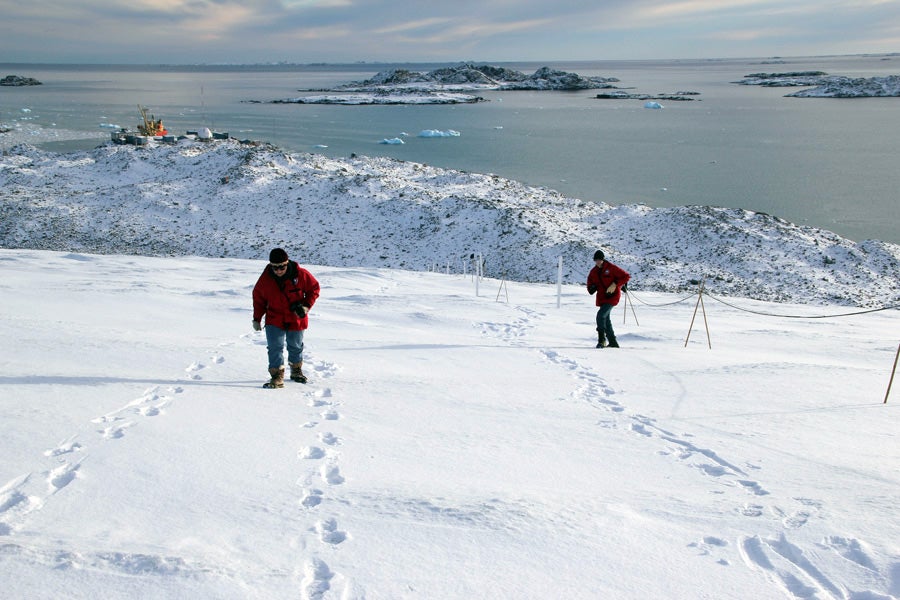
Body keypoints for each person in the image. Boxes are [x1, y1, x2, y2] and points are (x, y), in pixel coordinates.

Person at [252, 248, 320, 388]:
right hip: (274, 318)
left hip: (296, 317)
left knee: (295, 346)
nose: (278, 270)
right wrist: (257, 318)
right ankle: (277, 376)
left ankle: (296, 371)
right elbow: (259, 299)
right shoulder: (265, 279)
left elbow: (314, 289)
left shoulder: (301, 274)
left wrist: (306, 306)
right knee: (274, 347)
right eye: (275, 267)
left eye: (282, 267)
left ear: (287, 263)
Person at [586, 249, 630, 348]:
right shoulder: (593, 272)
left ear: (603, 259)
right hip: (602, 298)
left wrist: (615, 284)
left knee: (601, 315)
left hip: (612, 297)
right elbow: (589, 284)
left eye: (600, 259)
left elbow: (626, 276)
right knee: (606, 319)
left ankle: (601, 340)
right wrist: (591, 288)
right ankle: (613, 342)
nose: (598, 262)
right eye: (596, 260)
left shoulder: (611, 268)